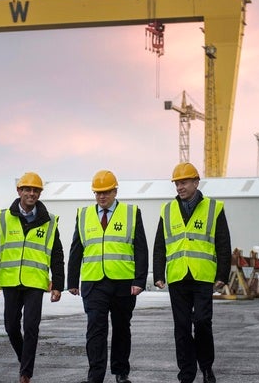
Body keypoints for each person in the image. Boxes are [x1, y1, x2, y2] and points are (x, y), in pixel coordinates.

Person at [152, 162, 231, 383]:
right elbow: (160, 245)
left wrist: (222, 276)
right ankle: (186, 373)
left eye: (184, 182)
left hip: (203, 277)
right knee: (182, 327)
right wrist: (159, 273)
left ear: (196, 182)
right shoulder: (167, 211)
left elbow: (223, 244)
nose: (179, 187)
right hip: (177, 277)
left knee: (203, 322)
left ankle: (206, 367)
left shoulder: (214, 208)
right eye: (177, 183)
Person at [67, 170, 148, 383]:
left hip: (123, 283)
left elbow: (141, 248)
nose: (102, 197)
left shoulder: (131, 212)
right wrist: (72, 281)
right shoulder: (84, 215)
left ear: (115, 191)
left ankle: (121, 373)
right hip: (94, 283)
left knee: (122, 329)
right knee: (95, 329)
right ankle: (95, 377)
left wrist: (140, 281)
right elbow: (76, 248)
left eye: (106, 192)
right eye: (98, 193)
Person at [0, 172, 65, 383]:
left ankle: (25, 373)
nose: (31, 193)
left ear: (40, 193)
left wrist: (58, 285)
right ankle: (24, 360)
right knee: (11, 326)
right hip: (10, 281)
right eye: (27, 189)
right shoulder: (3, 218)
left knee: (31, 326)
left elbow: (57, 256)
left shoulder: (49, 222)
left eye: (36, 190)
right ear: (19, 191)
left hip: (35, 283)